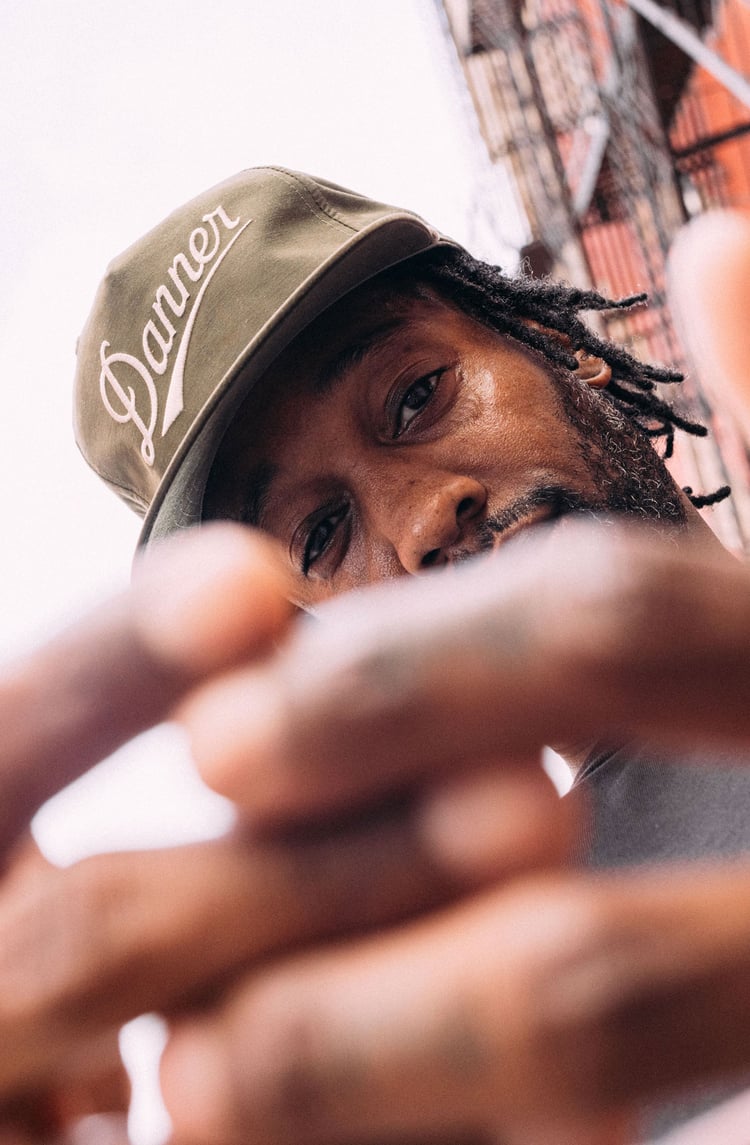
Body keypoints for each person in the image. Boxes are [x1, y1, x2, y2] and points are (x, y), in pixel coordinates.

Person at [3, 168, 750, 1143]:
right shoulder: (481, 1030)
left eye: (415, 396)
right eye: (317, 534)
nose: (420, 520)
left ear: (563, 348)